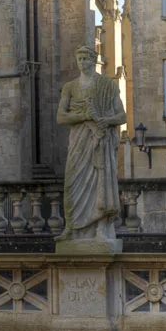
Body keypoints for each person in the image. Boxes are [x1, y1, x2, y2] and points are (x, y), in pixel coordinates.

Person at [57, 47, 125, 245]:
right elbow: (61, 117)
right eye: (79, 58)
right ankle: (72, 228)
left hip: (99, 142)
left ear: (94, 60)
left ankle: (101, 228)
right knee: (72, 182)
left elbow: (122, 115)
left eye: (86, 58)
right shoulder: (70, 87)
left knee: (100, 183)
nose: (82, 62)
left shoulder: (107, 85)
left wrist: (106, 120)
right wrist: (85, 115)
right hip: (78, 142)